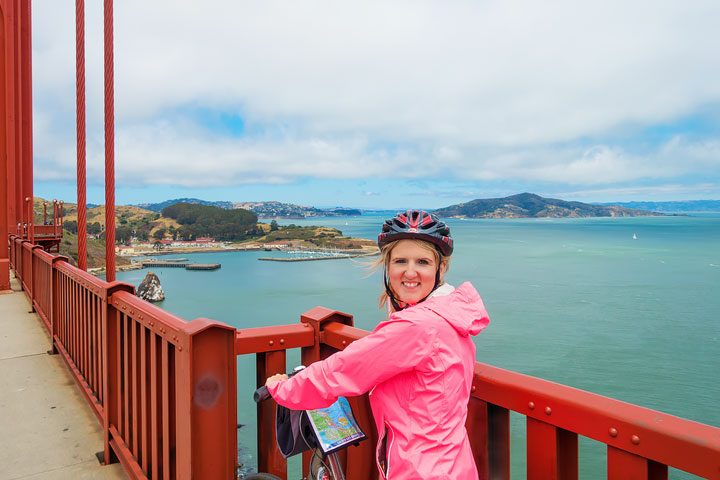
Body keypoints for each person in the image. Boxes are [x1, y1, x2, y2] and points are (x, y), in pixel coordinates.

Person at [265, 210, 490, 479]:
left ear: (440, 269)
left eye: (422, 262)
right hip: (453, 464)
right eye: (400, 261)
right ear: (388, 267)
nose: (410, 271)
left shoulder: (417, 326)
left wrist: (283, 389)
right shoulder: (450, 315)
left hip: (420, 471)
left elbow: (342, 370)